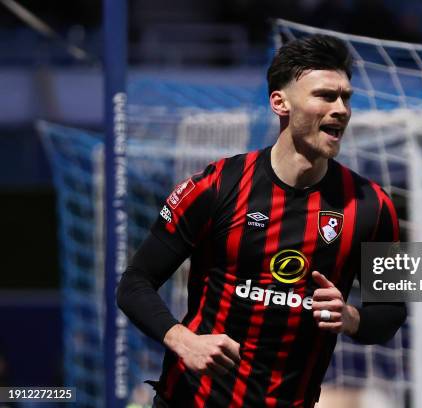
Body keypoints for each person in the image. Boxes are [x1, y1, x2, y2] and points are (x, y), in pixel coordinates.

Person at [117, 34, 407, 408]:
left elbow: (393, 310)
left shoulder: (374, 206)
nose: (341, 109)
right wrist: (181, 339)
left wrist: (351, 318)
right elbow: (134, 283)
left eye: (345, 97)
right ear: (279, 102)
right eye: (324, 95)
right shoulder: (216, 186)